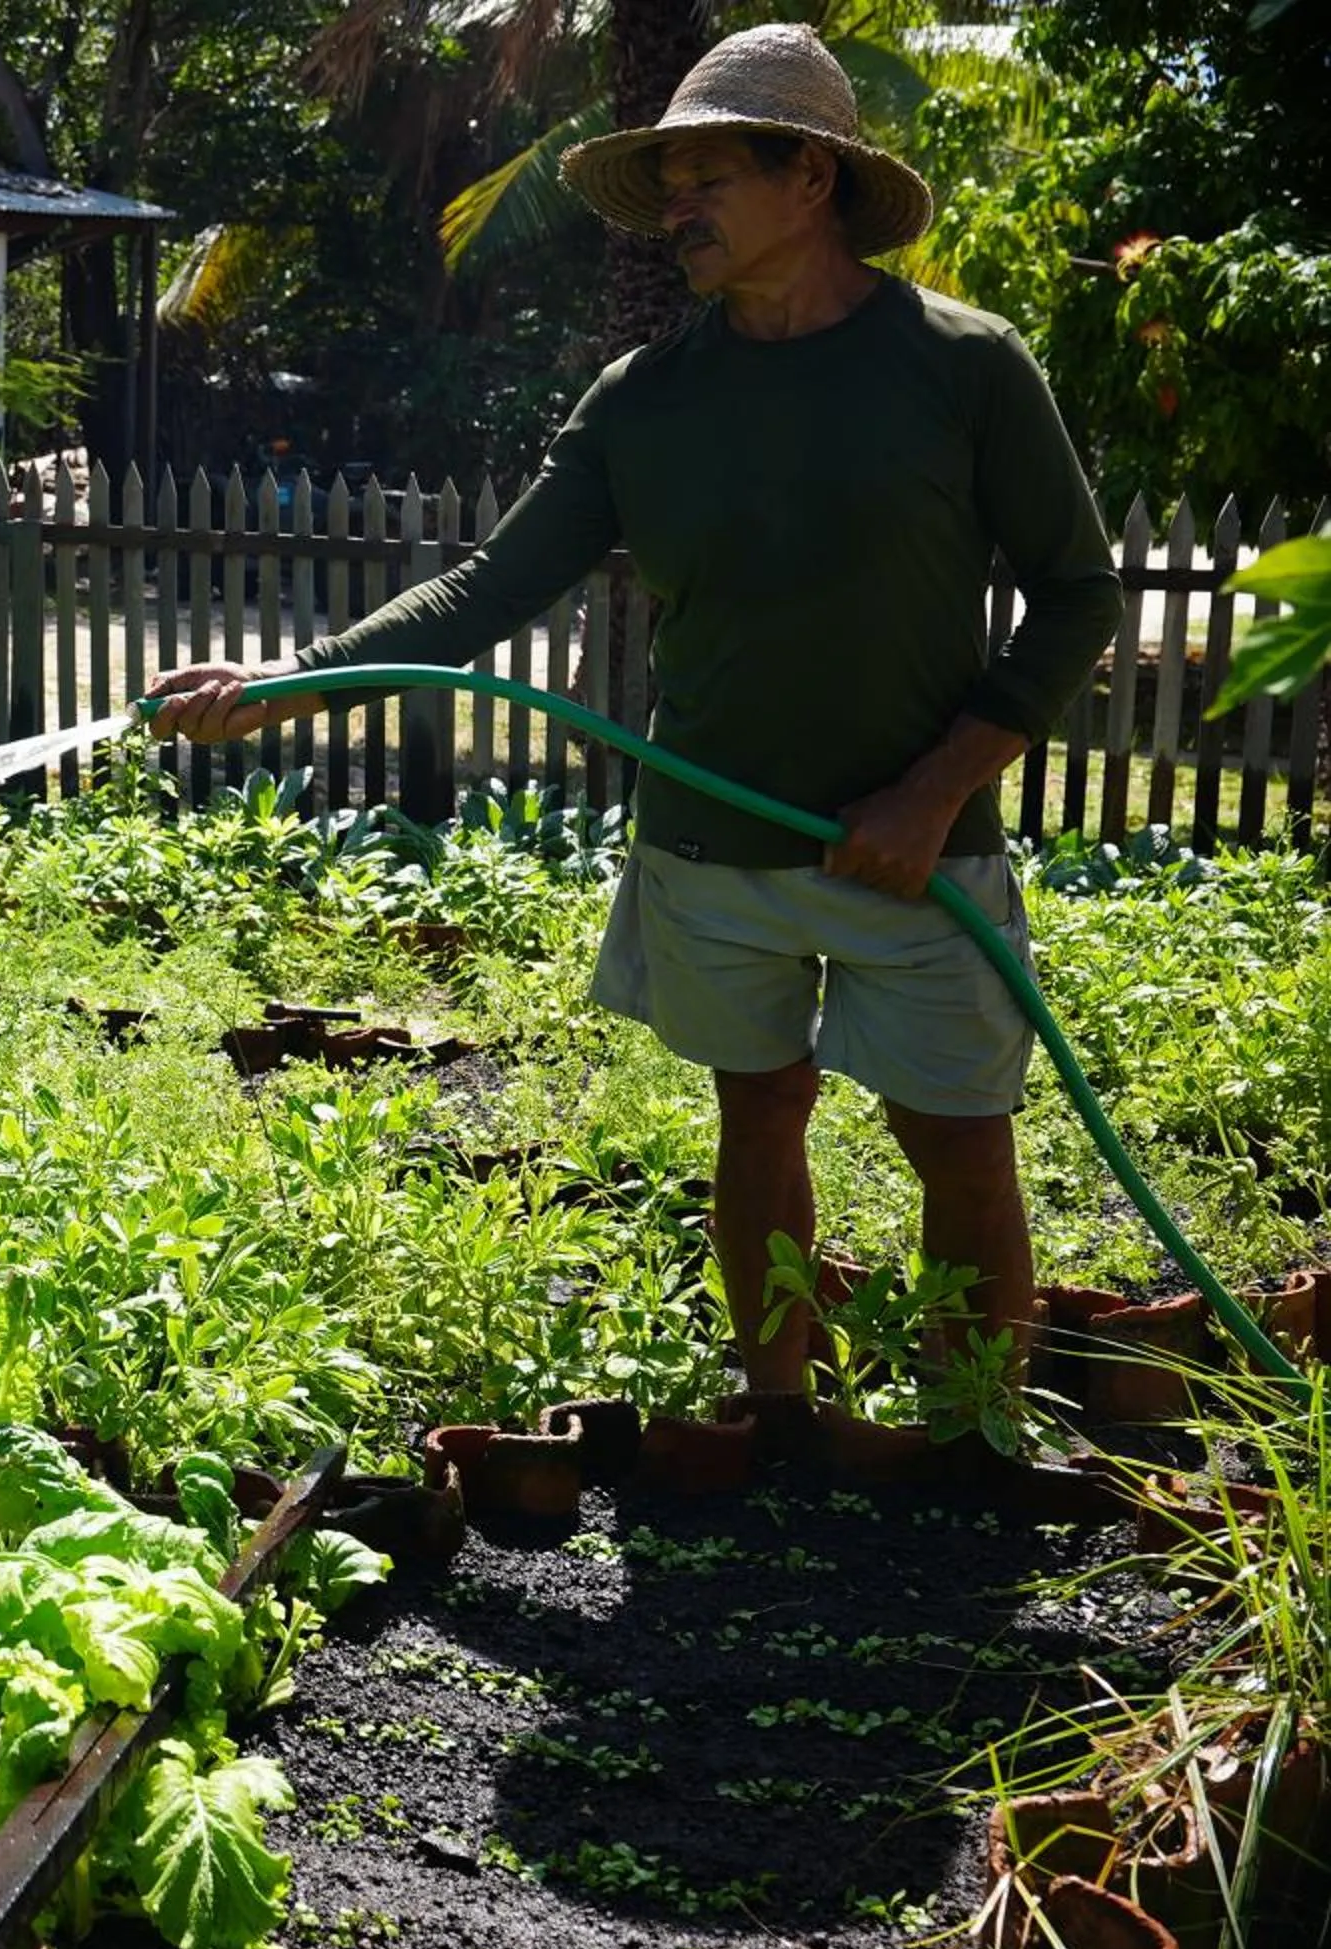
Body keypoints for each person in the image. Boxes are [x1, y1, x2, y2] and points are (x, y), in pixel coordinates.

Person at [143, 22, 1123, 1398]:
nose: (678, 211)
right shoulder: (647, 400)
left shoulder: (961, 368)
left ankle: (971, 1435)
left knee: (955, 1138)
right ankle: (777, 1415)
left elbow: (1079, 600)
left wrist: (933, 791)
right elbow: (491, 589)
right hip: (712, 842)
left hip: (917, 851)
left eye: (709, 178)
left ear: (812, 183)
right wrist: (284, 689)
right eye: (670, 183)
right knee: (758, 1117)